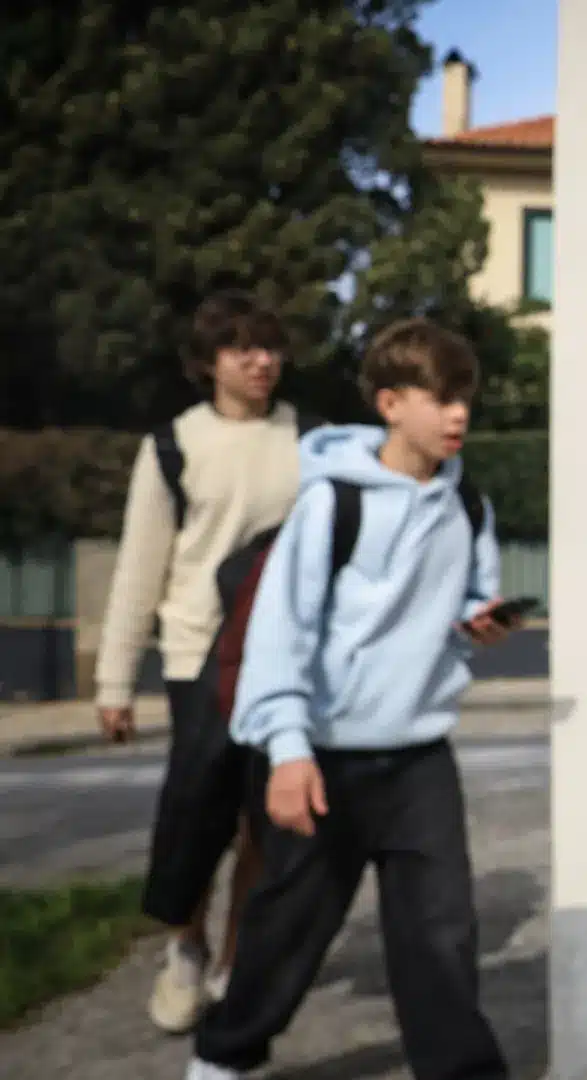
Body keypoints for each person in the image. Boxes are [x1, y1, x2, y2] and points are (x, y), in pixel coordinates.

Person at [185, 318, 517, 1080]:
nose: (459, 414)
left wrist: (477, 625)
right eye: (441, 398)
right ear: (391, 403)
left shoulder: (469, 506)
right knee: (287, 930)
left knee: (442, 933)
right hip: (326, 755)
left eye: (465, 397)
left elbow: (468, 604)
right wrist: (290, 752)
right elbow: (281, 633)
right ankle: (222, 1060)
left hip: (419, 757)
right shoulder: (333, 504)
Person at [93, 290, 307, 1033]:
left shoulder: (309, 441)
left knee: (264, 821)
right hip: (196, 658)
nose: (260, 362)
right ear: (208, 362)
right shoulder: (173, 447)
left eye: (270, 347)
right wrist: (114, 681)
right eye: (242, 349)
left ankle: (234, 958)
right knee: (195, 817)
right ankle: (187, 944)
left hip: (283, 655)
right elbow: (138, 568)